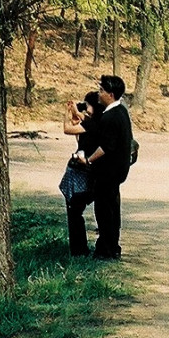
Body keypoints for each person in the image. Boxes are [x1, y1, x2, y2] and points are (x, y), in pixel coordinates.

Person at [75, 74, 134, 260]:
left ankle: (106, 250)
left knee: (104, 211)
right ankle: (112, 246)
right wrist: (81, 117)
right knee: (112, 210)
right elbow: (98, 130)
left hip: (108, 172)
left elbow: (105, 147)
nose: (99, 94)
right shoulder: (121, 111)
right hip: (118, 172)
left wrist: (89, 160)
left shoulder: (111, 116)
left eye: (101, 91)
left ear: (110, 94)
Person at [60, 90, 101, 257]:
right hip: (86, 173)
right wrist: (77, 115)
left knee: (75, 211)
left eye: (88, 104)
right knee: (76, 210)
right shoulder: (95, 122)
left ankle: (79, 250)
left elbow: (67, 129)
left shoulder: (92, 123)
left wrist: (67, 114)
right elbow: (80, 138)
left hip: (81, 174)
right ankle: (79, 249)